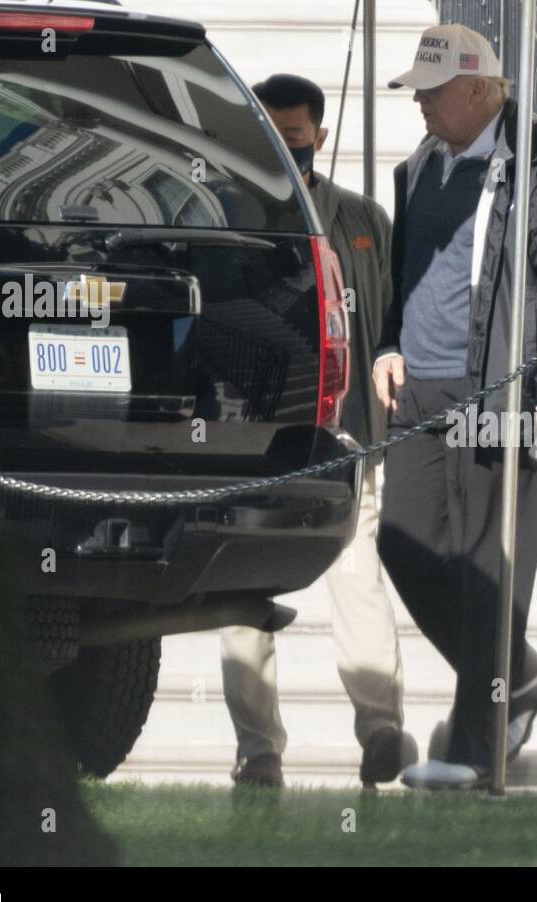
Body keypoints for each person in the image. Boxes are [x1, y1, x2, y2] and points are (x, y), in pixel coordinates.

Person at [373, 25, 537, 789]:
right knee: (402, 545)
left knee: (485, 570)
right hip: (419, 392)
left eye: (433, 92)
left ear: (480, 89)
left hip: (497, 393)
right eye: (418, 93)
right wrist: (384, 345)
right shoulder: (417, 170)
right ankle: (523, 674)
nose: (422, 106)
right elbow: (401, 277)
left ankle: (477, 753)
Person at [218, 74, 417, 788]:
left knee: (357, 578)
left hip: (346, 439)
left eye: (295, 140)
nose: (282, 151)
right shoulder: (224, 218)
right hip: (250, 440)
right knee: (240, 595)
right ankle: (259, 750)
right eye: (268, 138)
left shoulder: (365, 223)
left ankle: (383, 729)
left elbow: (395, 325)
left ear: (319, 139)